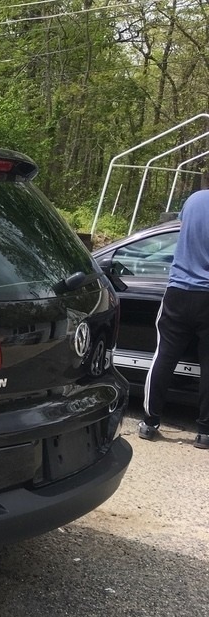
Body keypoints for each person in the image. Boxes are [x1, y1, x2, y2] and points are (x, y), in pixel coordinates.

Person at [139, 188, 209, 448]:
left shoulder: (194, 199)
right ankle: (204, 432)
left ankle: (149, 422)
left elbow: (181, 228)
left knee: (164, 357)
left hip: (179, 291)